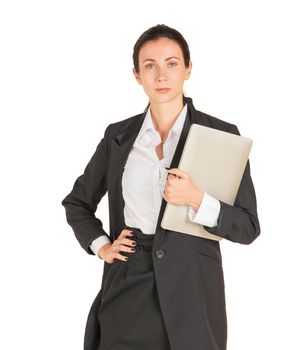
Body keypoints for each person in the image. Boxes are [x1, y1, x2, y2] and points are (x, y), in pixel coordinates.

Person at [61, 24, 260, 350]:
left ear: (188, 69)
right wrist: (103, 246)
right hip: (128, 285)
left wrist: (197, 200)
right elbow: (77, 203)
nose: (161, 75)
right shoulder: (118, 136)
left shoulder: (222, 135)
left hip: (192, 292)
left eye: (171, 64)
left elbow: (248, 227)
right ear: (137, 75)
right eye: (150, 66)